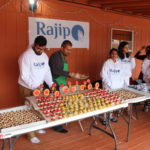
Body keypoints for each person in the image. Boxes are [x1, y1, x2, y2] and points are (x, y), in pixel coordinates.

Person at [18, 35, 53, 143]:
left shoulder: (44, 56)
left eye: (43, 49)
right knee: (28, 109)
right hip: (27, 87)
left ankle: (37, 127)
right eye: (38, 48)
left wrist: (51, 83)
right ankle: (30, 134)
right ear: (34, 45)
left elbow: (47, 71)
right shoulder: (26, 56)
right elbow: (24, 75)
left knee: (38, 108)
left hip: (39, 87)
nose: (40, 51)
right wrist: (34, 87)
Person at [49, 40, 80, 133]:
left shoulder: (63, 56)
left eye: (70, 50)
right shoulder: (55, 56)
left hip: (62, 82)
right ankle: (57, 126)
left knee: (61, 103)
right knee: (56, 104)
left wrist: (71, 74)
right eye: (67, 49)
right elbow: (55, 70)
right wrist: (70, 74)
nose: (69, 52)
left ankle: (60, 121)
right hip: (55, 82)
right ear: (62, 47)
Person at [101, 48, 125, 125]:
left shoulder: (120, 63)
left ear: (117, 54)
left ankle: (110, 116)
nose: (114, 55)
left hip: (117, 86)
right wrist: (109, 83)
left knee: (113, 101)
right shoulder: (107, 63)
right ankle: (105, 118)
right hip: (108, 86)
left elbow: (122, 74)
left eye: (116, 53)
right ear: (110, 54)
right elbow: (103, 74)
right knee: (106, 101)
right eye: (112, 53)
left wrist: (121, 83)